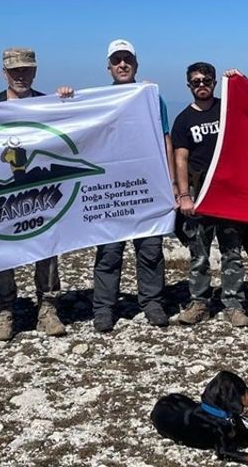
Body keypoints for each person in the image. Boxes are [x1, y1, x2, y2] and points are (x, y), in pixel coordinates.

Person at [0, 47, 72, 341]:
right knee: (3, 247)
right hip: (7, 193)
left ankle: (48, 308)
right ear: (4, 73)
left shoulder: (48, 103)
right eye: (15, 70)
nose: (20, 75)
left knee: (48, 247)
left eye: (26, 70)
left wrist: (67, 101)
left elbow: (75, 130)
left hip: (44, 191)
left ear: (35, 71)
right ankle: (3, 311)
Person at [90, 39, 172, 332]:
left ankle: (152, 302)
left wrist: (171, 181)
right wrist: (65, 97)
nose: (122, 64)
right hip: (110, 191)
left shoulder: (151, 97)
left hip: (148, 187)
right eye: (116, 60)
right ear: (108, 67)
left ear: (136, 64)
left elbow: (165, 138)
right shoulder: (97, 99)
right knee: (109, 252)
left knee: (150, 248)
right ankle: (104, 308)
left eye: (127, 59)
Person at [171, 62, 248, 328]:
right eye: (196, 81)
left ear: (215, 83)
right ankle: (199, 303)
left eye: (207, 80)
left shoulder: (227, 109)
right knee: (199, 254)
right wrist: (184, 195)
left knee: (231, 251)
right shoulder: (183, 119)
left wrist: (240, 80)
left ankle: (233, 304)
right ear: (188, 86)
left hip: (228, 194)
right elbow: (180, 158)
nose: (201, 85)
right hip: (199, 194)